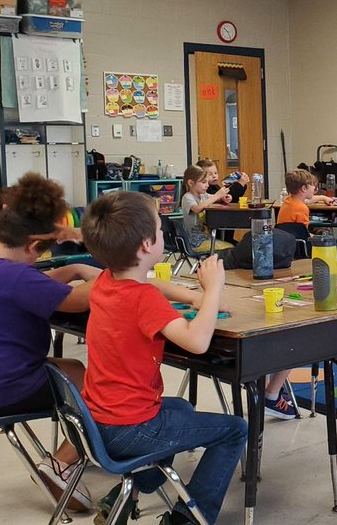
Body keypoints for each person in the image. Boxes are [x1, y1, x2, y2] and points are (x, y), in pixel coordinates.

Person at [82, 191, 247, 525]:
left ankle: (126, 494)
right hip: (130, 427)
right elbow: (197, 342)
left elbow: (152, 287)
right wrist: (213, 289)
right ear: (147, 244)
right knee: (234, 430)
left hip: (97, 419)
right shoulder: (142, 299)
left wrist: (193, 297)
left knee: (181, 408)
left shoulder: (104, 282)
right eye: (160, 231)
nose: (163, 236)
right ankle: (188, 517)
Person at [0, 173, 100, 511]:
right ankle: (59, 463)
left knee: (74, 368)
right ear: (32, 247)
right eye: (38, 255)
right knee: (104, 386)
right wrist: (116, 278)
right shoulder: (15, 277)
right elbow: (77, 301)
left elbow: (30, 282)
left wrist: (71, 269)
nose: (38, 262)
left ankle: (80, 447)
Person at [181, 164, 235, 253]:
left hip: (204, 237)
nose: (207, 185)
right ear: (191, 183)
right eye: (203, 182)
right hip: (195, 241)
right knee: (230, 248)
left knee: (230, 246)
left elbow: (216, 198)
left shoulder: (204, 195)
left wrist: (224, 198)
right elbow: (197, 209)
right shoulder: (187, 197)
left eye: (207, 182)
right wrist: (217, 196)